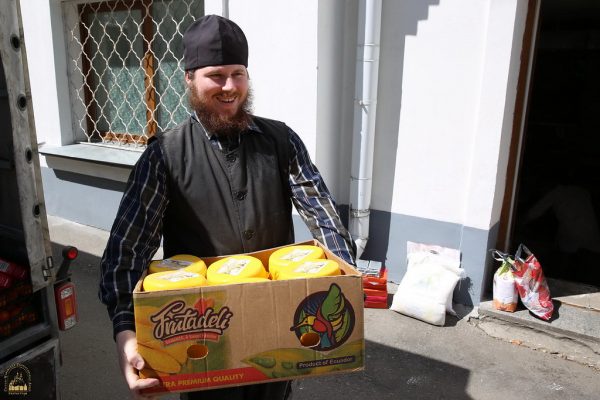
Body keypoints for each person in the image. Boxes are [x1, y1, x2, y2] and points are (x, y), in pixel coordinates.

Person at [98, 14, 355, 400]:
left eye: (238, 74)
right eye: (216, 76)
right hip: (201, 339)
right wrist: (126, 333)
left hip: (275, 330)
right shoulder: (165, 155)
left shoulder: (281, 140)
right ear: (189, 78)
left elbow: (322, 212)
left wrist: (346, 276)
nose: (230, 86)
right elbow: (126, 252)